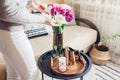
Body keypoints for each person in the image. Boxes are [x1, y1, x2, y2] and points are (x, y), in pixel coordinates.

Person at [0, 0, 55, 80]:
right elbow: (7, 11)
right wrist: (43, 19)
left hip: (6, 32)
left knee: (14, 73)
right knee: (32, 75)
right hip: (10, 32)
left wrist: (33, 3)